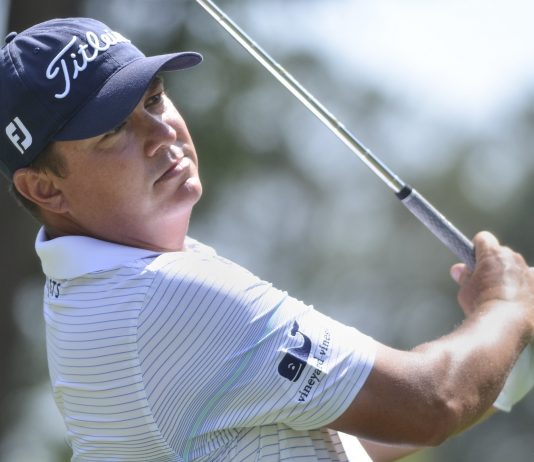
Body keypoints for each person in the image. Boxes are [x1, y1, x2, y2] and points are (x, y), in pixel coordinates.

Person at [1, 17, 533, 462]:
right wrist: (508, 306)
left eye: (155, 99)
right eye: (113, 130)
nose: (162, 134)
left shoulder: (93, 295)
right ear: (45, 187)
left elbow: (337, 435)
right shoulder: (159, 297)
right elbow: (431, 403)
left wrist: (505, 360)